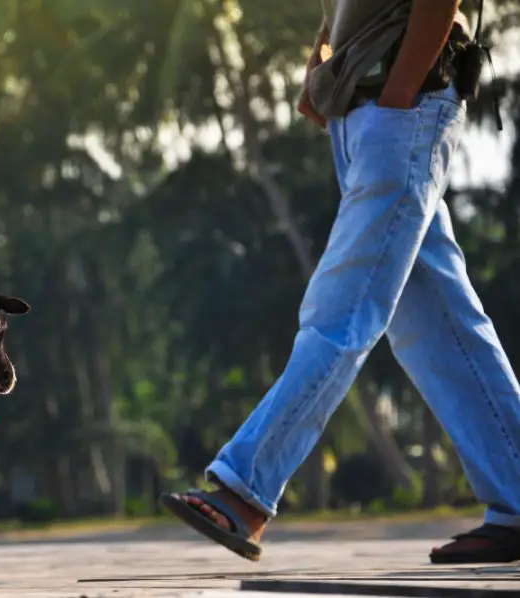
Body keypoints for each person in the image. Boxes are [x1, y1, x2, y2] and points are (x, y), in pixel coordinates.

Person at [161, 0, 520, 564]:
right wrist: (322, 57)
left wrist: (399, 96)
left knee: (342, 310)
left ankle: (245, 492)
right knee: (440, 326)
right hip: (368, 110)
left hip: (401, 107)